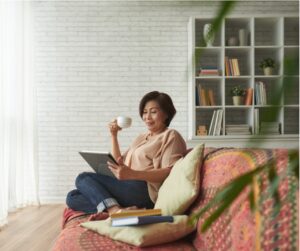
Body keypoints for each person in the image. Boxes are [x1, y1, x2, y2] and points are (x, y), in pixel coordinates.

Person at [66, 91, 187, 215]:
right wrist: (114, 135)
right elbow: (119, 161)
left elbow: (169, 172)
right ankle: (123, 210)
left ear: (166, 114)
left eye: (153, 112)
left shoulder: (170, 136)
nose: (147, 117)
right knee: (72, 197)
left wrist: (133, 174)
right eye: (145, 112)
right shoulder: (142, 137)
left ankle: (113, 210)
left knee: (83, 177)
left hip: (145, 191)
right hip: (127, 185)